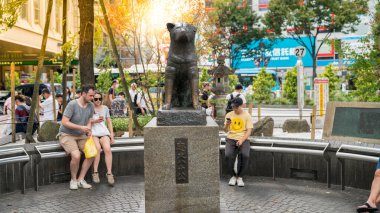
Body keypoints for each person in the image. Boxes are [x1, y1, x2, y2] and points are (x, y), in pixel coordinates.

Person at [58, 85, 96, 190]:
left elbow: (89, 120)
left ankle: (80, 179)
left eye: (93, 95)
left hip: (81, 134)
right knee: (76, 156)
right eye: (90, 95)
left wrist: (88, 130)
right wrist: (81, 127)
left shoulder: (91, 106)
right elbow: (64, 122)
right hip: (67, 134)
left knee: (92, 153)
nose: (92, 98)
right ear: (83, 94)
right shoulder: (72, 104)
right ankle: (73, 180)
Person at [224, 97, 253, 187]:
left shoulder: (247, 115)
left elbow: (249, 131)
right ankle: (233, 176)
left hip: (243, 138)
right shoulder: (229, 115)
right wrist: (227, 125)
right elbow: (225, 130)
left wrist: (241, 140)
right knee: (228, 155)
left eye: (236, 107)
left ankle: (240, 177)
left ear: (241, 106)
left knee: (245, 155)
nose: (235, 109)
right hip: (231, 138)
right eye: (233, 107)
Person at [91, 92, 115, 186]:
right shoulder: (89, 108)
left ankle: (109, 173)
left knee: (107, 149)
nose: (98, 101)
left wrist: (112, 135)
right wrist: (95, 121)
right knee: (97, 148)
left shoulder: (105, 108)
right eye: (96, 99)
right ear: (93, 99)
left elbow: (109, 122)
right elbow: (86, 122)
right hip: (94, 133)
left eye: (99, 99)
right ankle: (95, 172)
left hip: (103, 132)